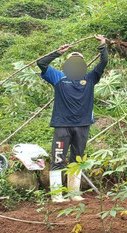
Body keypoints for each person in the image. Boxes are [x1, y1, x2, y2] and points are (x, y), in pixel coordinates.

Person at [37, 35, 108, 203]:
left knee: (77, 159)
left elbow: (103, 63)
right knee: (58, 159)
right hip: (62, 126)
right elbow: (41, 63)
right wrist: (57, 52)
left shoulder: (90, 79)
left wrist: (103, 45)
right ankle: (57, 195)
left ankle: (74, 193)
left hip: (82, 126)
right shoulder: (58, 77)